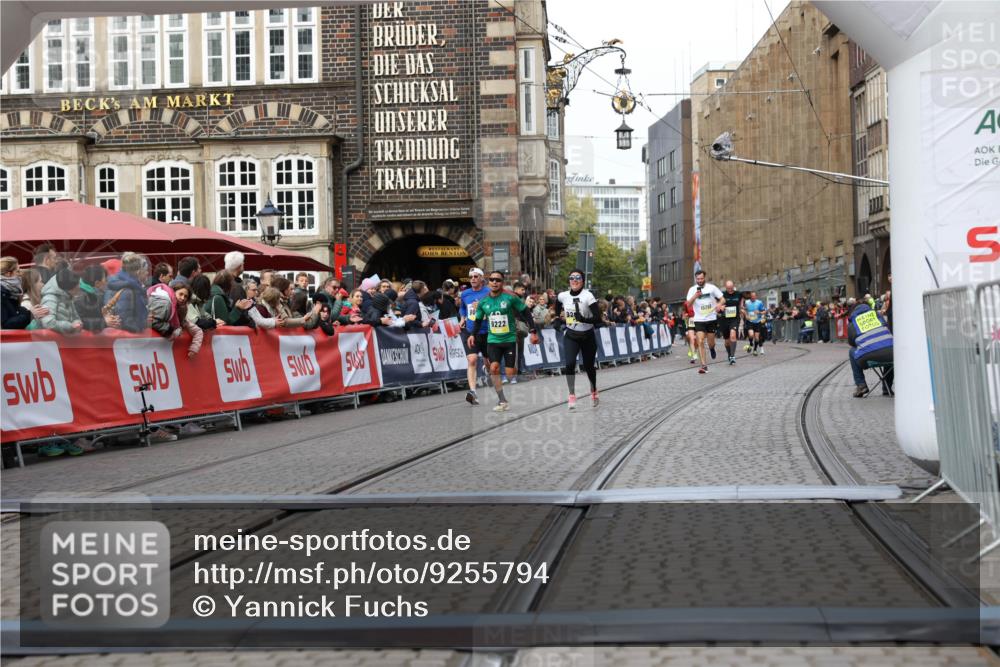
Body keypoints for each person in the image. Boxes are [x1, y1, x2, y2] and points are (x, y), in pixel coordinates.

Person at [467, 270, 538, 412]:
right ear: (488, 282)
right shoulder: (483, 302)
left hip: (510, 339)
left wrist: (533, 331)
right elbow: (478, 320)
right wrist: (472, 334)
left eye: (498, 280)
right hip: (493, 340)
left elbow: (526, 312)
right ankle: (502, 400)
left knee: (510, 373)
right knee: (494, 368)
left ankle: (510, 371)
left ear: (502, 282)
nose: (494, 282)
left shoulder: (510, 297)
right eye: (492, 280)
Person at [555, 269, 601, 409]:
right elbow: (557, 303)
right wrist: (557, 318)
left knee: (588, 366)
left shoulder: (588, 296)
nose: (574, 280)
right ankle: (571, 395)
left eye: (578, 278)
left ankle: (593, 389)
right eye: (572, 277)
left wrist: (584, 319)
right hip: (571, 335)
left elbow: (597, 318)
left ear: (582, 281)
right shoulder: (563, 296)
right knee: (569, 364)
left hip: (587, 336)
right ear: (569, 280)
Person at [846, 297, 894, 397]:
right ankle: (887, 388)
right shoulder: (878, 316)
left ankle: (861, 385)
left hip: (868, 357)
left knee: (852, 351)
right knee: (888, 349)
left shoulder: (853, 322)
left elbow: (852, 342)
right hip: (890, 355)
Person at [459, 267, 491, 406]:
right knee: (472, 360)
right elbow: (462, 308)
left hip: (487, 331)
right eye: (471, 276)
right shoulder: (465, 294)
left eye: (476, 276)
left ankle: (488, 371)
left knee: (489, 361)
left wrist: (483, 307)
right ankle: (473, 392)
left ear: (482, 278)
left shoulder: (489, 292)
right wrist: (462, 318)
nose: (472, 279)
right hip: (471, 331)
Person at [685, 270, 724, 374]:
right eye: (698, 279)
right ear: (695, 279)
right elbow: (688, 304)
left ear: (704, 278)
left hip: (711, 318)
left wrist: (719, 304)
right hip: (699, 319)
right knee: (700, 340)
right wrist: (695, 296)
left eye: (701, 278)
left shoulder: (712, 288)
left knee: (711, 343)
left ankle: (712, 348)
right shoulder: (692, 289)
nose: (700, 281)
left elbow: (722, 299)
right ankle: (704, 365)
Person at [104, 252, 149, 333]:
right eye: (145, 270)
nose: (147, 273)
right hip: (128, 337)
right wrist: (143, 326)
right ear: (138, 272)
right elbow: (125, 321)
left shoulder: (124, 283)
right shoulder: (128, 290)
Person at [75, 264, 120, 332]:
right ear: (97, 283)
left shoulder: (94, 292)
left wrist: (109, 318)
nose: (106, 282)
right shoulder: (79, 298)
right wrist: (104, 322)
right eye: (105, 279)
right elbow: (80, 321)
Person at [38, 268, 84, 334]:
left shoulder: (67, 296)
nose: (79, 287)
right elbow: (48, 323)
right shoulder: (49, 299)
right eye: (77, 285)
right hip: (54, 339)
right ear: (69, 288)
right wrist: (70, 326)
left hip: (67, 337)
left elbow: (75, 317)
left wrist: (78, 323)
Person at [1, 257, 34, 329]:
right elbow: (6, 324)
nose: (20, 274)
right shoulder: (2, 293)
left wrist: (29, 312)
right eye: (18, 271)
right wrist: (30, 315)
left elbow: (14, 312)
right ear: (8, 274)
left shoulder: (9, 291)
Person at [716, 280, 743, 365]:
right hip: (724, 320)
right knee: (727, 341)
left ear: (733, 286)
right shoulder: (721, 295)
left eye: (731, 288)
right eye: (728, 288)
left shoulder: (738, 294)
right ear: (725, 287)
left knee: (733, 335)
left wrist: (742, 310)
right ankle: (729, 354)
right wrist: (720, 308)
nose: (730, 290)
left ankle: (732, 356)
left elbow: (741, 305)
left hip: (734, 319)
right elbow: (717, 307)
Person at [742, 291, 766, 356]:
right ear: (750, 296)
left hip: (757, 322)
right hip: (750, 321)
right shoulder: (747, 302)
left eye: (754, 296)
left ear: (756, 296)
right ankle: (751, 343)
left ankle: (755, 350)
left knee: (757, 337)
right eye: (751, 296)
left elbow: (764, 311)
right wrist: (746, 315)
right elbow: (743, 309)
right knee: (751, 335)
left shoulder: (759, 302)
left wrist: (759, 312)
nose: (753, 297)